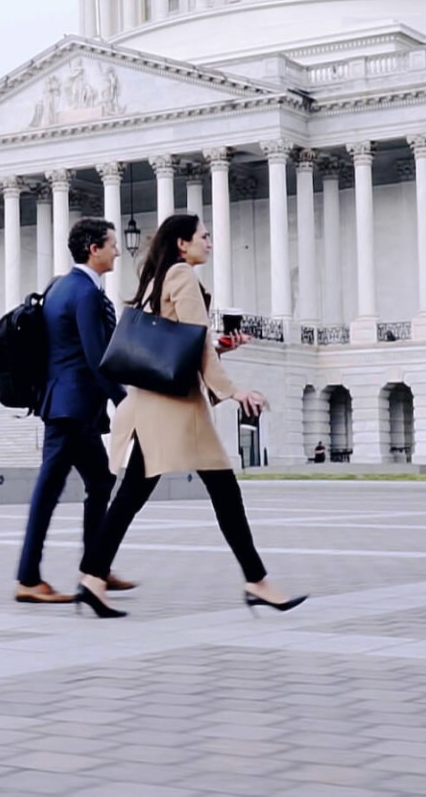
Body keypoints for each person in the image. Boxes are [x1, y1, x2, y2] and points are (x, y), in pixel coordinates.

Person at [76, 214, 306, 619]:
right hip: (176, 408)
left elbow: (177, 339)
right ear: (183, 243)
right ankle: (257, 582)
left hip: (153, 402)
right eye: (204, 236)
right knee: (224, 493)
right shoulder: (181, 274)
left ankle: (93, 578)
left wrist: (221, 346)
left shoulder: (159, 275)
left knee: (134, 496)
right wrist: (234, 391)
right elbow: (195, 345)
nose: (210, 242)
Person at [15, 218, 132, 604]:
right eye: (112, 244)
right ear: (93, 249)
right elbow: (96, 355)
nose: (118, 250)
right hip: (72, 408)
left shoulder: (60, 286)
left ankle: (94, 567)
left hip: (69, 406)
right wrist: (123, 400)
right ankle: (29, 578)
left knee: (99, 482)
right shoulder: (83, 292)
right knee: (48, 491)